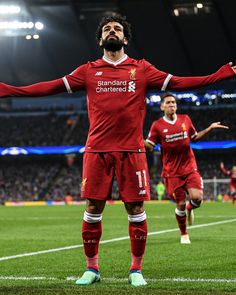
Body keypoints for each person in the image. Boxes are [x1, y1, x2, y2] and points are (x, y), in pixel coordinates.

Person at [0, 14, 235, 286]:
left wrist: (218, 75)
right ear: (100, 39)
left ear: (125, 38)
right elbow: (50, 87)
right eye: (107, 29)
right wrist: (9, 90)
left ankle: (136, 270)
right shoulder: (87, 71)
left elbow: (181, 82)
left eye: (118, 28)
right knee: (92, 207)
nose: (113, 31)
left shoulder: (142, 69)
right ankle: (92, 269)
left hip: (132, 151)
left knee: (135, 208)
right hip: (97, 150)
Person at [145, 93, 229, 244]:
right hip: (172, 172)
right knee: (180, 204)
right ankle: (184, 234)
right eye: (168, 103)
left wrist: (209, 128)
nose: (171, 105)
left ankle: (190, 209)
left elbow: (194, 137)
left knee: (197, 198)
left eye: (173, 103)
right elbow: (149, 147)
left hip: (190, 167)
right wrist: (135, 139)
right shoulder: (157, 126)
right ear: (162, 106)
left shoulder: (185, 119)